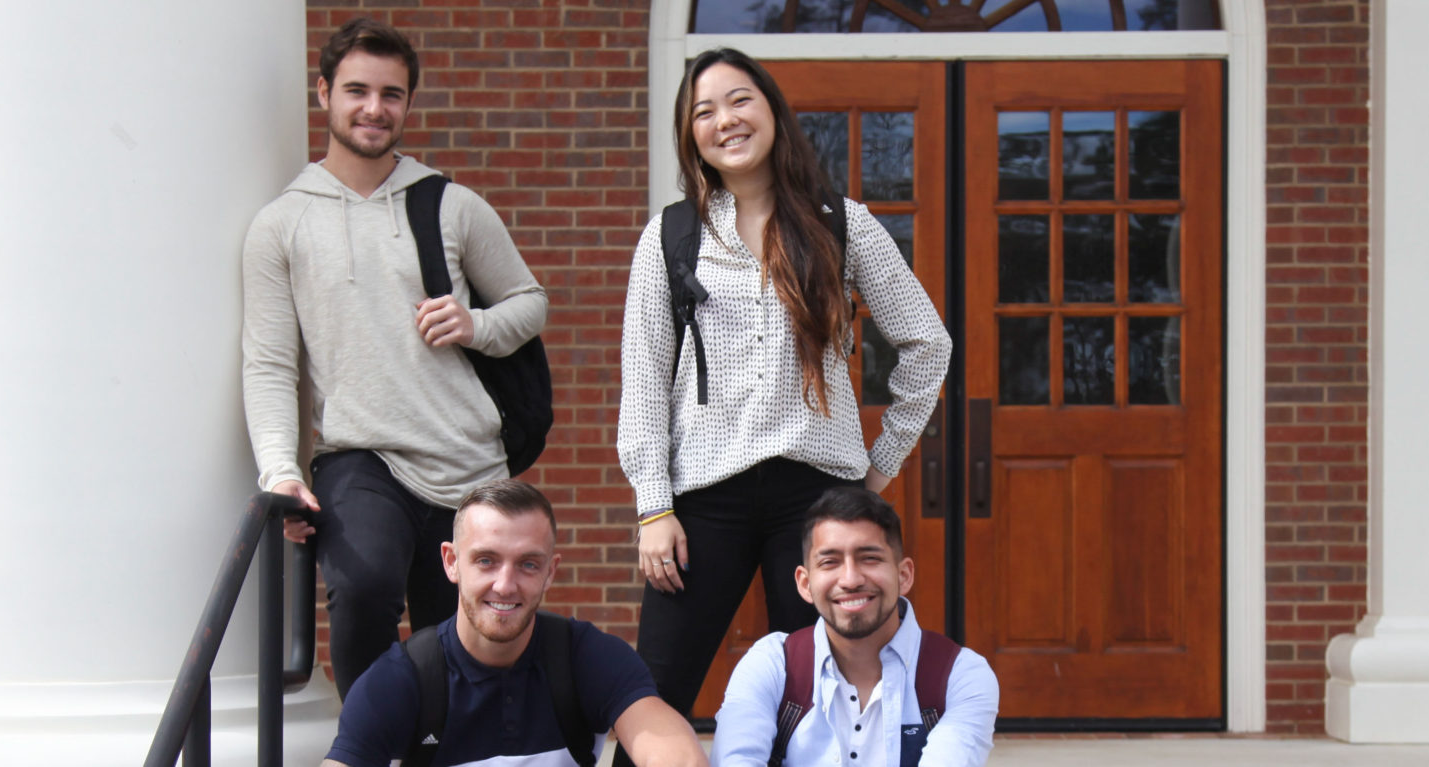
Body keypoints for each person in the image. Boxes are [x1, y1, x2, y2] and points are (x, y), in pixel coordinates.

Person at [615, 46, 951, 741]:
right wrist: (654, 506)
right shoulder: (671, 237)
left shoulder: (841, 224)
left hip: (816, 499)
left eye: (739, 99)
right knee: (656, 691)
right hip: (703, 498)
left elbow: (928, 342)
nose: (725, 120)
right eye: (703, 111)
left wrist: (881, 461)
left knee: (815, 701)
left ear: (771, 109)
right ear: (690, 135)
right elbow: (644, 377)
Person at [242, 17, 548, 696]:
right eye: (356, 90)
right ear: (323, 93)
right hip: (363, 454)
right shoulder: (280, 226)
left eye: (391, 94)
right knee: (363, 585)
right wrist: (279, 469)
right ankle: (370, 741)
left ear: (409, 102)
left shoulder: (451, 205)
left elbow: (529, 304)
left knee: (469, 638)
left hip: (468, 458)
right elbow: (268, 363)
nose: (374, 108)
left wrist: (474, 324)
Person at [322, 480, 707, 767]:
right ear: (452, 562)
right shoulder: (401, 679)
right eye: (486, 560)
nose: (505, 585)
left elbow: (676, 753)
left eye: (527, 564)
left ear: (550, 571)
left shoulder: (586, 657)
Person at [711, 487, 997, 767]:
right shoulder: (771, 664)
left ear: (904, 575)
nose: (850, 579)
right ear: (805, 584)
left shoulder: (961, 676)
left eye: (869, 558)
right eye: (830, 562)